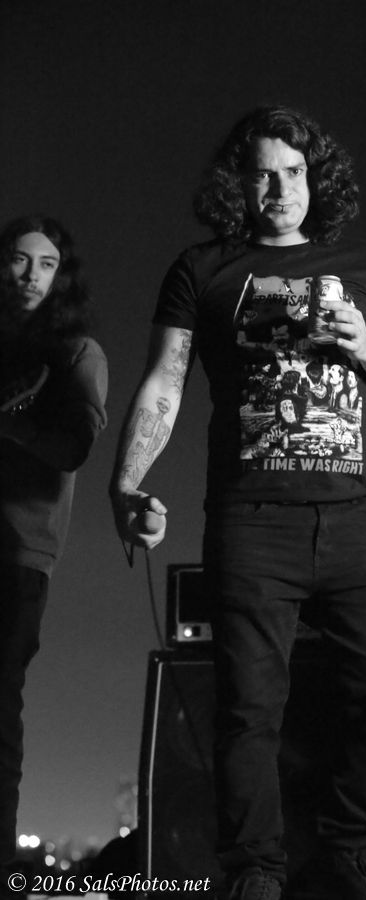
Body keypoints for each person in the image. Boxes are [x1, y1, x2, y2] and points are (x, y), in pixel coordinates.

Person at [109, 105, 366, 900]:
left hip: (357, 518)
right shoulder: (202, 268)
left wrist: (363, 343)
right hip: (252, 520)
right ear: (239, 185)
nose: (280, 189)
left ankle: (352, 849)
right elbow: (164, 383)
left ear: (317, 179)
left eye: (294, 171)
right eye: (262, 174)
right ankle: (255, 869)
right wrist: (127, 483)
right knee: (249, 708)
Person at [0, 216, 108, 895]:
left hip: (18, 554)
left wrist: (10, 422)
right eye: (18, 260)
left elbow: (74, 447)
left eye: (45, 263)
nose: (30, 275)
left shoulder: (76, 353)